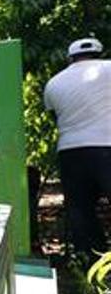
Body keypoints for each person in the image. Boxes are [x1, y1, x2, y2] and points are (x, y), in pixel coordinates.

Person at [44, 37, 111, 262]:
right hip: (107, 145)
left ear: (70, 58)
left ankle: (91, 261)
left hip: (71, 151)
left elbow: (56, 118)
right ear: (99, 53)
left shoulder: (54, 83)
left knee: (80, 209)